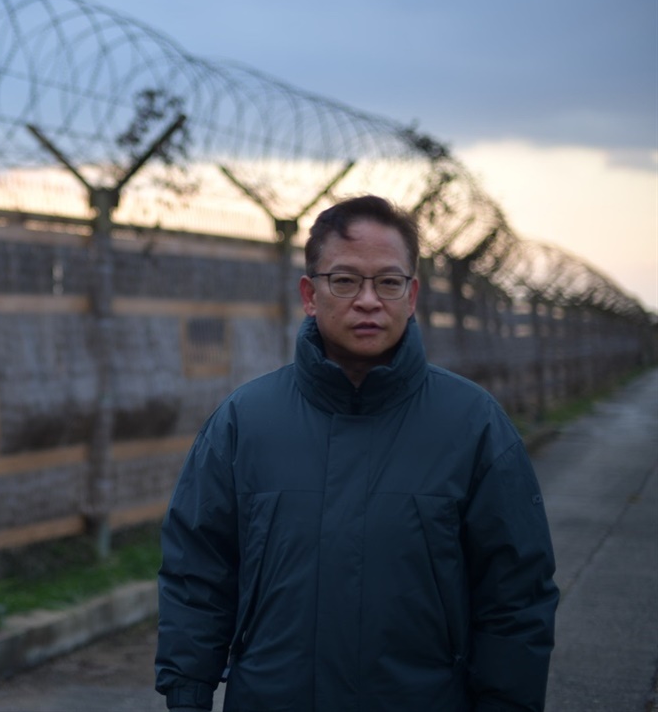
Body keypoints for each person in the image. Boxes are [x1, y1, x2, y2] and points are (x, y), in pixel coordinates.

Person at [155, 194, 558, 712]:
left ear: (412, 296)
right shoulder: (244, 423)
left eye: (388, 282)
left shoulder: (474, 425)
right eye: (344, 281)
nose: (368, 300)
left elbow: (516, 596)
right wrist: (187, 693)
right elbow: (197, 574)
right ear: (309, 293)